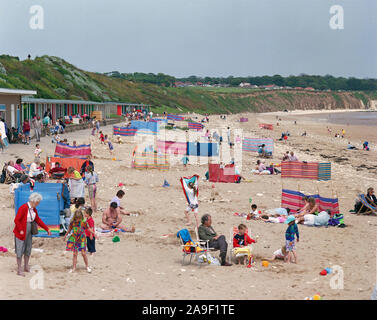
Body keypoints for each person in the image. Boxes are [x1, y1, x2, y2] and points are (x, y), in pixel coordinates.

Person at [13, 193, 51, 276]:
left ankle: (26, 267)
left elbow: (38, 219)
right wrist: (20, 230)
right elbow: (16, 220)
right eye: (38, 202)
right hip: (21, 231)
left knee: (28, 248)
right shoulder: (23, 208)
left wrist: (46, 228)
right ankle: (19, 269)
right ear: (34, 201)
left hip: (29, 231)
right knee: (20, 249)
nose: (38, 204)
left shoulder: (33, 209)